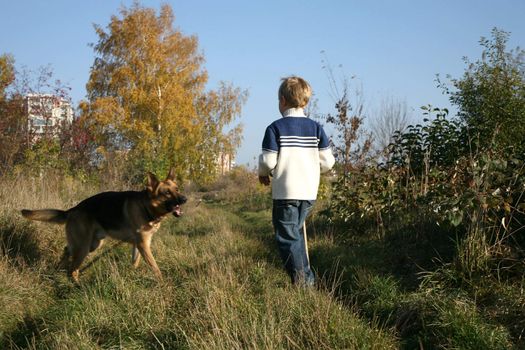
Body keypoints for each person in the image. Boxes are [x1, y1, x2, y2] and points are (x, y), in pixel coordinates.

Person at [258, 76, 335, 286]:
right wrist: (309, 168)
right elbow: (328, 161)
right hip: (309, 193)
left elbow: (268, 160)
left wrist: (263, 172)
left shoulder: (275, 128)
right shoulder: (316, 128)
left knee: (286, 238)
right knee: (296, 234)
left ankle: (304, 282)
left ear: (282, 100)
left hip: (286, 193)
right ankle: (304, 279)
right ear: (305, 101)